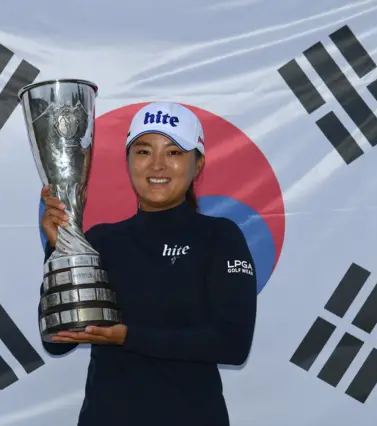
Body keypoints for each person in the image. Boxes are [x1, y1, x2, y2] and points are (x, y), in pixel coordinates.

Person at [39, 101, 257, 426]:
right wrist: (60, 248)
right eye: (143, 152)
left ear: (197, 164)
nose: (157, 165)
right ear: (128, 162)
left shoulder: (220, 237)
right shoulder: (99, 240)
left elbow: (233, 344)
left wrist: (128, 337)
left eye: (173, 152)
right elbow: (55, 342)